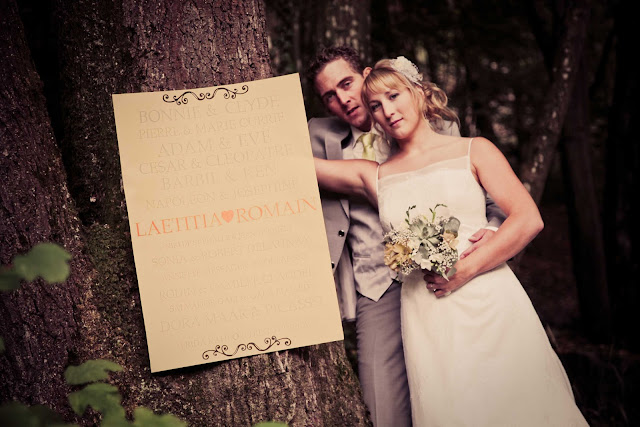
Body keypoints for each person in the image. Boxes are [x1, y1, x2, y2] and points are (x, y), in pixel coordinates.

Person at [313, 57, 589, 426]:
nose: (387, 111)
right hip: (423, 309)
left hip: (486, 296)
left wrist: (466, 268)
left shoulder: (474, 149)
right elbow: (294, 167)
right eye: (376, 106)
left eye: (394, 97)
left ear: (417, 92)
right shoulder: (374, 175)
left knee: (518, 400)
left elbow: (528, 218)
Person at [306, 46, 506, 426]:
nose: (343, 99)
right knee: (382, 403)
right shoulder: (317, 135)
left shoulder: (436, 126)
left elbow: (487, 203)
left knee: (455, 385)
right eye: (329, 95)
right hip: (374, 283)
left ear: (367, 75)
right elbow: (282, 163)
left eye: (347, 84)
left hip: (443, 277)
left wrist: (488, 236)